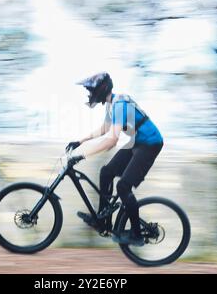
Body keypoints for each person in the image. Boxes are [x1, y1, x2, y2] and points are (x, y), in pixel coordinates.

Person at [66, 72, 164, 246]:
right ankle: (104, 221)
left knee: (123, 186)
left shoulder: (120, 105)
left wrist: (83, 155)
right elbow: (104, 129)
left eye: (90, 90)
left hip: (150, 144)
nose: (89, 94)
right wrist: (80, 142)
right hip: (137, 142)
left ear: (101, 89)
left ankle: (136, 235)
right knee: (106, 172)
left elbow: (112, 139)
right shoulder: (112, 105)